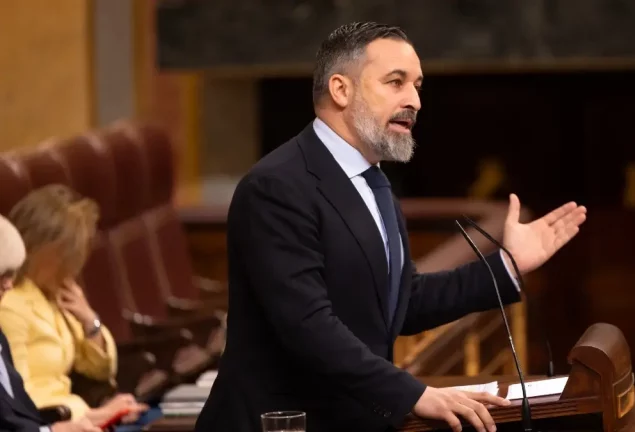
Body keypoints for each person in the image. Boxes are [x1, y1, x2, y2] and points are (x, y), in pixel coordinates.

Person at [195, 22, 586, 432]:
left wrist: (507, 266)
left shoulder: (375, 182)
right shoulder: (276, 187)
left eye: (417, 85)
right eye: (395, 82)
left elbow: (400, 301)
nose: (414, 100)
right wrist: (414, 395)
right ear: (341, 90)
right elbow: (307, 326)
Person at [0, 185, 148, 429]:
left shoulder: (55, 295)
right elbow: (14, 405)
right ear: (42, 250)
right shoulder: (11, 305)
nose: (73, 266)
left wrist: (90, 321)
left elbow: (101, 369)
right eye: (67, 256)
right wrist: (82, 416)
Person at [0, 213, 103, 431]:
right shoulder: (11, 309)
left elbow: (18, 413)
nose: (8, 285)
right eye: (2, 274)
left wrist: (90, 321)